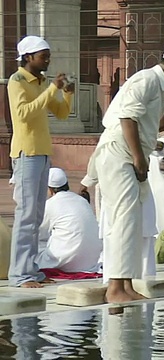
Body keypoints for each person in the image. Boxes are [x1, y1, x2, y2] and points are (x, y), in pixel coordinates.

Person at [92, 44, 164, 303]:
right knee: (123, 219)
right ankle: (115, 288)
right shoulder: (147, 79)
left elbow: (145, 128)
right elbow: (127, 118)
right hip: (119, 153)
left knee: (134, 221)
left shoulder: (160, 88)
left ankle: (125, 284)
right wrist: (139, 158)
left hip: (131, 153)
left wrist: (152, 148)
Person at [7, 35, 75, 288]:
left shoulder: (43, 82)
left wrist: (66, 94)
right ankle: (20, 274)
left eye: (48, 55)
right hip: (26, 152)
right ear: (27, 57)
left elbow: (61, 113)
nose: (47, 59)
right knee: (25, 215)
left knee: (36, 216)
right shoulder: (17, 81)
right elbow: (23, 114)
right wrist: (51, 90)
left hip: (42, 152)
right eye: (43, 55)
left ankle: (31, 269)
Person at [78, 152, 158, 279]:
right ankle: (116, 283)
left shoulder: (138, 142)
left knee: (142, 244)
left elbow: (143, 167)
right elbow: (96, 161)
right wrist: (87, 182)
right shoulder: (111, 141)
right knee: (115, 241)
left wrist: (86, 183)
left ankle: (143, 283)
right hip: (116, 194)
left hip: (135, 193)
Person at [36, 168, 101, 273]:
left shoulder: (50, 204)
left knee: (33, 250)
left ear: (50, 189)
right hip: (91, 261)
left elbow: (40, 235)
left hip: (66, 263)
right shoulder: (82, 201)